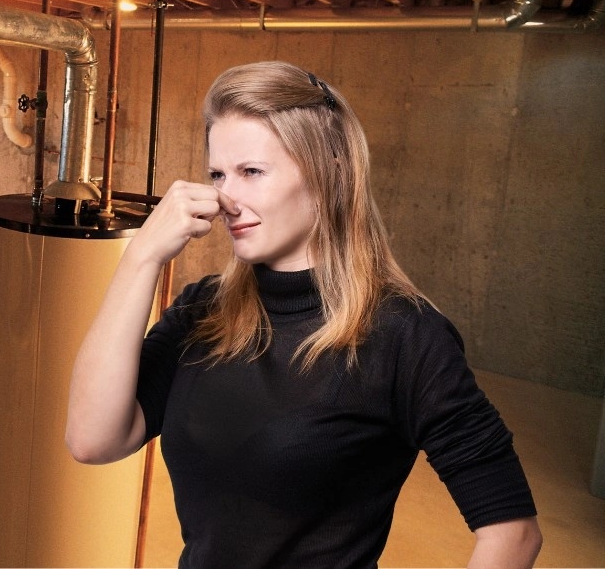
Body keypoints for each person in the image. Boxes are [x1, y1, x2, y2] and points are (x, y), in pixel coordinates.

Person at [65, 61, 541, 568]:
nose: (228, 197)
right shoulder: (202, 310)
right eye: (218, 175)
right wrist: (142, 258)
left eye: (251, 172)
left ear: (328, 169)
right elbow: (93, 440)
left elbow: (512, 534)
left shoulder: (405, 334)